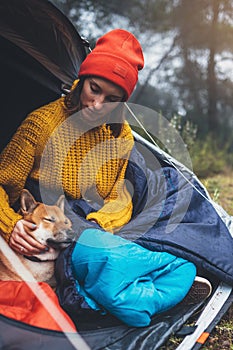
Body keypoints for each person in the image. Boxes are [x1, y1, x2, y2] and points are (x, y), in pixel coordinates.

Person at [0, 29, 211, 326]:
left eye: (112, 99)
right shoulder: (41, 125)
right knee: (113, 282)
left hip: (89, 226)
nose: (98, 104)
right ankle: (145, 293)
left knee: (158, 262)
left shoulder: (119, 135)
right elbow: (3, 183)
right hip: (56, 227)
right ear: (81, 82)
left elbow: (118, 196)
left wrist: (101, 224)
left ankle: (152, 281)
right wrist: (11, 225)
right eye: (94, 89)